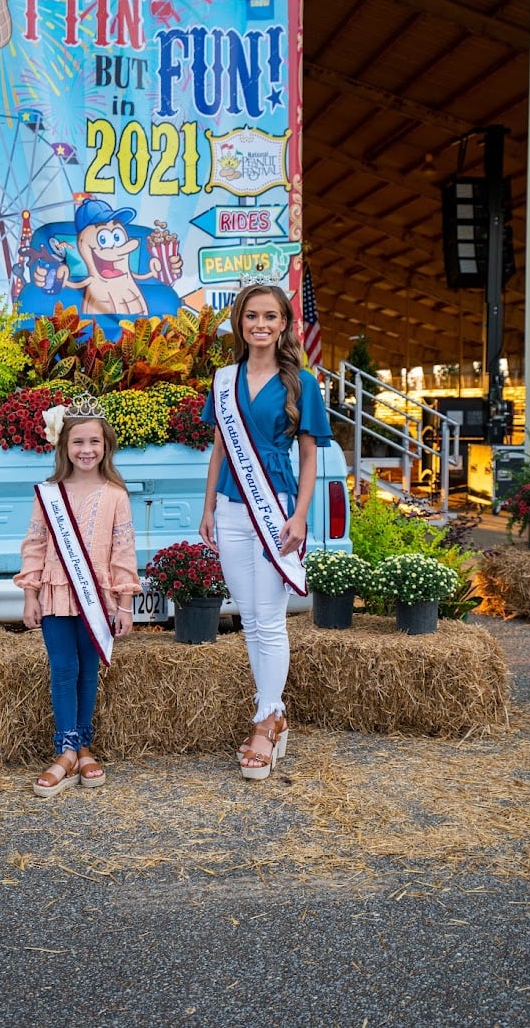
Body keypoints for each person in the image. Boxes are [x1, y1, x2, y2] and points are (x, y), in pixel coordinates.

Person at [199, 281, 332, 781]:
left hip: (275, 506)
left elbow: (309, 456)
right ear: (240, 322)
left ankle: (266, 722)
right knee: (250, 619)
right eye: (251, 316)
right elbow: (218, 446)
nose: (260, 325)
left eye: (270, 317)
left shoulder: (301, 382)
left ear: (283, 324)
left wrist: (300, 515)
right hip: (232, 507)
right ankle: (271, 712)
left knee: (271, 619)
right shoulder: (224, 379)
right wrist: (209, 505)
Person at [14, 394, 141, 798]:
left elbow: (123, 552)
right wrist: (30, 595)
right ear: (63, 447)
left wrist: (123, 604)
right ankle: (65, 750)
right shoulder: (49, 493)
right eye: (78, 443)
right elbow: (34, 545)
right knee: (63, 669)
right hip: (55, 594)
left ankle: (83, 747)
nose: (86, 450)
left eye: (94, 443)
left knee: (90, 670)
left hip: (97, 597)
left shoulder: (116, 495)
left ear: (106, 447)